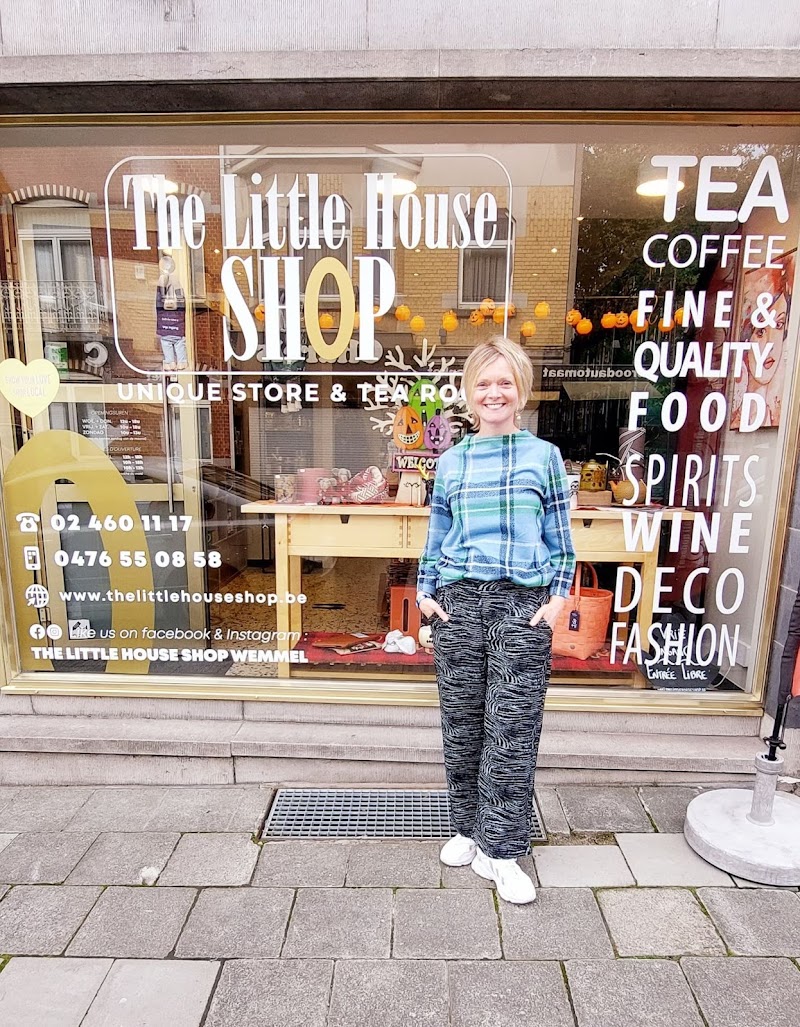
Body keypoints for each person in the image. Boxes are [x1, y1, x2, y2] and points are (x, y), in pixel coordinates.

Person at [416, 336, 575, 904]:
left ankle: (502, 850)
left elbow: (562, 542)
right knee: (461, 724)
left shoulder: (544, 458)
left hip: (520, 606)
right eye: (483, 382)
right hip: (458, 602)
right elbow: (437, 536)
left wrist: (556, 601)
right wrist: (425, 592)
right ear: (468, 391)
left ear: (522, 390)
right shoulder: (452, 460)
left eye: (505, 381)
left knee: (511, 730)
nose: (494, 392)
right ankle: (466, 827)